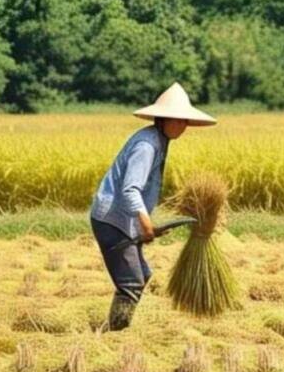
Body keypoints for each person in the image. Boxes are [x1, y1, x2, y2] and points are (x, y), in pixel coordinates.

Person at [90, 83, 217, 331]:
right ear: (163, 119)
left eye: (185, 121)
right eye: (178, 120)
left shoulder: (159, 140)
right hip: (112, 220)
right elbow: (130, 189)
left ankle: (116, 326)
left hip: (124, 220)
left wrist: (143, 222)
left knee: (143, 275)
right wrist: (146, 223)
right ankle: (116, 335)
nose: (183, 126)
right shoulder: (147, 146)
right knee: (131, 283)